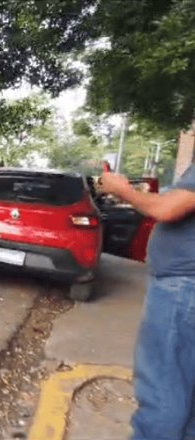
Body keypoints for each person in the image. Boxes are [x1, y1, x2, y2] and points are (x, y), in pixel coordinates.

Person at [100, 165, 195, 440]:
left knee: (164, 393)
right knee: (187, 399)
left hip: (183, 291)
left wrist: (122, 190)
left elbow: (167, 209)